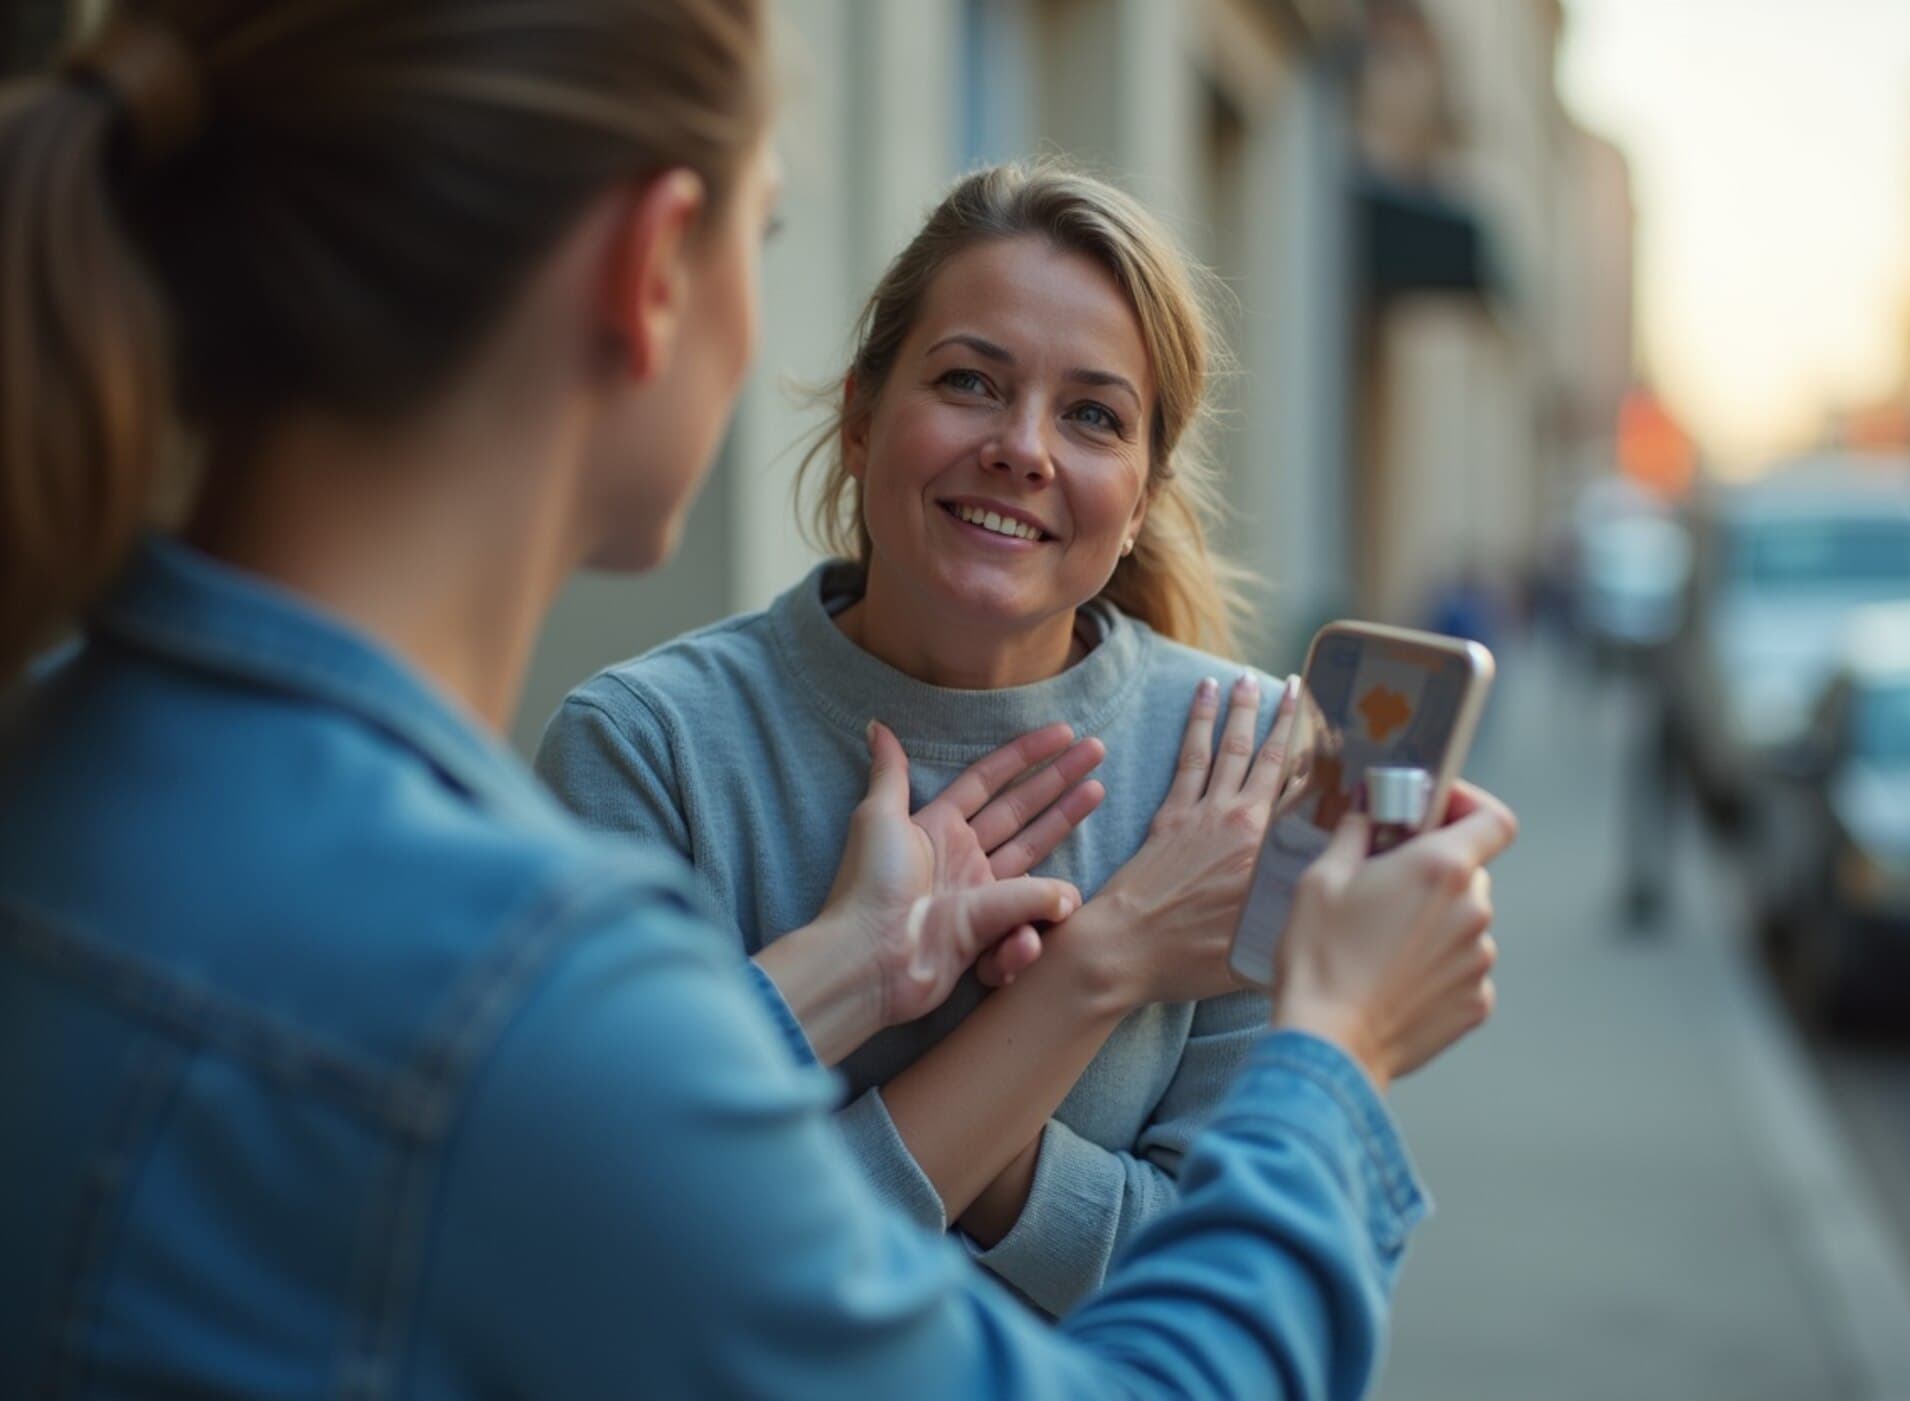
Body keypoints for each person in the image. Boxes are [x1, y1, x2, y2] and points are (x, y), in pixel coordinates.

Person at [0, 3, 1517, 1398]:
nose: (1023, 449)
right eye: (763, 226)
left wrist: (848, 974)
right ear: (653, 270)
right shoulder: (532, 976)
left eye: (1093, 415)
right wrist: (1333, 1049)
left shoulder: (55, 760)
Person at [539, 162, 1299, 1316]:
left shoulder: (1245, 761)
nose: (1024, 449)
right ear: (859, 418)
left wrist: (991, 1156)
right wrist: (1104, 969)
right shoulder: (647, 750)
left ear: (1140, 495)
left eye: (1093, 415)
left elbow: (1236, 1286)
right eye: (968, 382)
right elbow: (633, 1270)